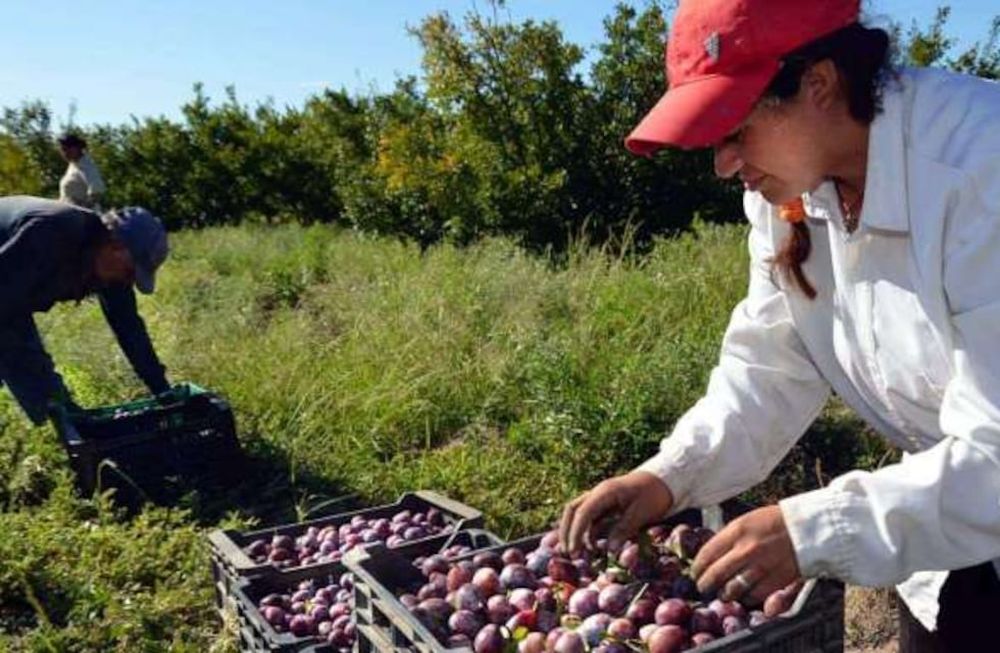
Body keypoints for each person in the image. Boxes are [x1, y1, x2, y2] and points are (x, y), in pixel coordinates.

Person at [558, 0, 1000, 650]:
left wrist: (814, 528)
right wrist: (668, 475)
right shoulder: (791, 191)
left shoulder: (979, 172)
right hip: (947, 527)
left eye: (734, 130)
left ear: (819, 83)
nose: (724, 163)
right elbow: (769, 366)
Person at [0, 196, 171, 425]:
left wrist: (163, 392)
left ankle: (63, 431)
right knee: (20, 354)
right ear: (115, 245)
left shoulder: (110, 268)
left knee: (47, 394)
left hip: (9, 292)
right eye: (130, 272)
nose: (127, 281)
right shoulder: (54, 231)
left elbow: (129, 329)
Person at [57, 133, 106, 210]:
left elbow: (97, 191)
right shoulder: (73, 165)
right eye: (63, 150)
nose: (65, 153)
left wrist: (82, 208)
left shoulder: (86, 166)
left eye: (68, 149)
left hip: (83, 217)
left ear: (78, 148)